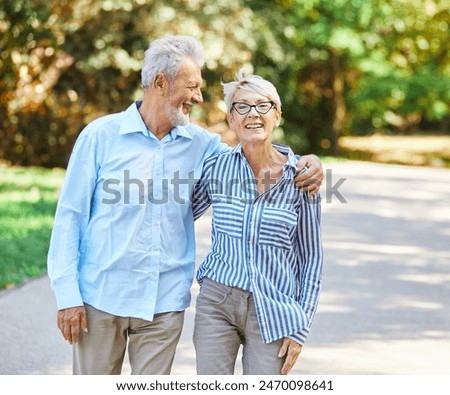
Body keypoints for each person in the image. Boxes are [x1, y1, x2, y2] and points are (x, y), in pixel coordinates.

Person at [47, 35, 324, 375]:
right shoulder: (100, 136)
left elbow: (255, 153)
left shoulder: (202, 146)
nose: (199, 97)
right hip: (101, 298)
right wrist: (67, 295)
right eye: (192, 86)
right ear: (160, 82)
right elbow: (69, 218)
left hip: (163, 305)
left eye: (201, 88)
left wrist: (306, 162)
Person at [192, 70, 323, 375]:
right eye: (241, 107)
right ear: (231, 120)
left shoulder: (301, 177)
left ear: (277, 116)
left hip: (274, 309)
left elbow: (312, 258)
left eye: (263, 106)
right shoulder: (217, 167)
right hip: (218, 301)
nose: (253, 114)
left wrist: (300, 326)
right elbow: (179, 214)